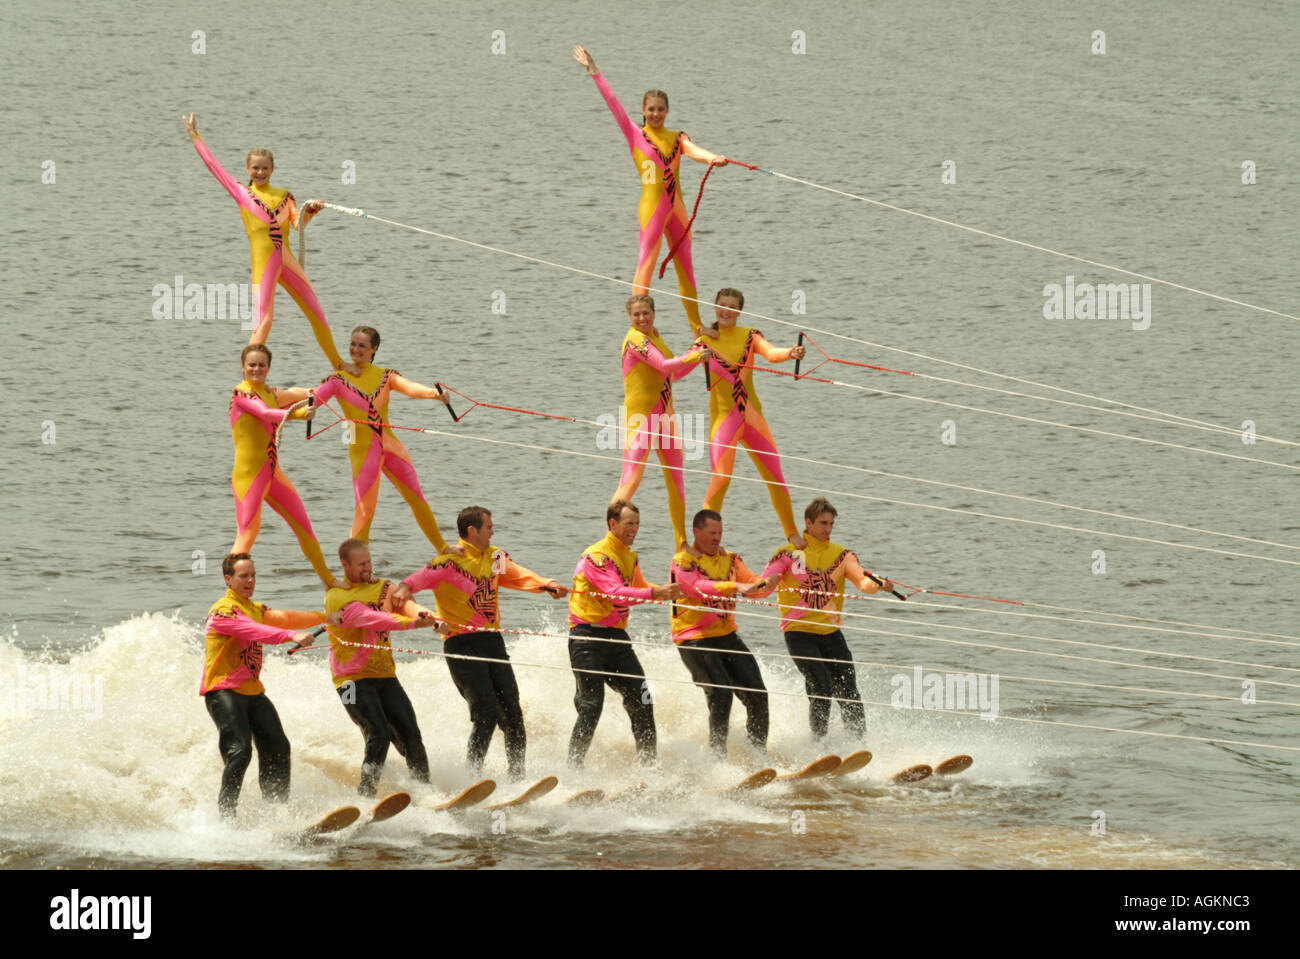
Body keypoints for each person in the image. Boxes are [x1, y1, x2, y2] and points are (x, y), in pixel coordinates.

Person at [390, 507, 568, 781]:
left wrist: (547, 584)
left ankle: (517, 778)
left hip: (492, 643)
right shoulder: (448, 562)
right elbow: (414, 581)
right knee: (485, 713)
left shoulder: (495, 556)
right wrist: (404, 589)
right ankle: (471, 779)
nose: (492, 531)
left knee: (513, 715)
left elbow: (517, 575)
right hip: (461, 646)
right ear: (472, 531)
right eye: (488, 527)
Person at [573, 45, 728, 337]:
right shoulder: (635, 134)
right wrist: (594, 71)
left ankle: (697, 328)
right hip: (653, 210)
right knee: (645, 264)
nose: (655, 114)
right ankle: (640, 325)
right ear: (643, 111)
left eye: (660, 109)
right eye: (651, 109)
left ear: (667, 111)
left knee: (687, 269)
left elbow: (694, 152)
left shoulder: (677, 137)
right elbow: (613, 103)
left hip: (677, 209)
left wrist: (713, 158)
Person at [183, 113, 354, 372]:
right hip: (264, 264)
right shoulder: (243, 193)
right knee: (264, 320)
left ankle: (339, 364)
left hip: (287, 261)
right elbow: (214, 166)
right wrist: (195, 137)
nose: (260, 172)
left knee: (317, 314)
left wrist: (313, 210)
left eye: (264, 168)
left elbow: (298, 225)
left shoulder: (286, 197)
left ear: (272, 169)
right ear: (248, 170)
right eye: (255, 168)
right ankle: (248, 374)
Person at [200, 552, 339, 819]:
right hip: (223, 692)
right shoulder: (223, 611)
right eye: (243, 576)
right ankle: (226, 818)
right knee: (240, 751)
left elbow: (286, 617)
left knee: (278, 747)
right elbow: (255, 631)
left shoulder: (255, 608)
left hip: (252, 693)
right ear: (228, 579)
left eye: (253, 575)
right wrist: (290, 636)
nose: (250, 580)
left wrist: (325, 617)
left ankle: (276, 812)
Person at [762, 498, 895, 741]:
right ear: (808, 522)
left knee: (849, 689)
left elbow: (862, 580)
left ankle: (858, 744)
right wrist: (758, 585)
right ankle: (818, 746)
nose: (828, 529)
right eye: (823, 523)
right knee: (821, 686)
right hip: (799, 633)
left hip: (831, 634)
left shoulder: (842, 555)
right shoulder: (788, 554)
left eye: (831, 524)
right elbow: (763, 584)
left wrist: (878, 584)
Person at [312, 326, 452, 552]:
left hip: (391, 445)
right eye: (353, 344)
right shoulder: (337, 379)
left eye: (362, 346)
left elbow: (410, 387)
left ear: (374, 349)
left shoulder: (386, 375)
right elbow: (313, 399)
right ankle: (357, 569)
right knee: (365, 509)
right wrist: (300, 411)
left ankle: (443, 548)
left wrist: (435, 394)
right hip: (362, 449)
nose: (356, 350)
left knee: (417, 498)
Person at [566, 500, 682, 768]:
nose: (634, 529)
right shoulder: (596, 557)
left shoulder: (630, 557)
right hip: (587, 640)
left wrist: (670, 592)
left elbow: (639, 588)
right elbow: (615, 591)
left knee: (643, 699)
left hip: (617, 641)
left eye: (637, 524)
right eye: (629, 523)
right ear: (612, 524)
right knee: (591, 706)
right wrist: (656, 593)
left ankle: (648, 766)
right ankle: (573, 768)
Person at [325, 539, 443, 797]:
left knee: (411, 734)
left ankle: (425, 792)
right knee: (377, 732)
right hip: (348, 682)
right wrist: (413, 625)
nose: (368, 568)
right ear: (346, 565)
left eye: (369, 561)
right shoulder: (337, 597)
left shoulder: (385, 587)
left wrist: (425, 615)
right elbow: (378, 619)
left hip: (385, 675)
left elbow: (405, 605)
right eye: (361, 564)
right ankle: (366, 795)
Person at [696, 288, 807, 547]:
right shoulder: (704, 341)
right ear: (714, 307)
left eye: (732, 306)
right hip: (724, 420)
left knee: (775, 477)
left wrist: (790, 352)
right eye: (722, 305)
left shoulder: (750, 335)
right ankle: (703, 539)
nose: (726, 310)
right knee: (721, 479)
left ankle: (791, 533)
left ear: (739, 311)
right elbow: (680, 367)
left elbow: (770, 353)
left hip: (753, 418)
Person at [228, 343, 338, 588]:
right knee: (247, 535)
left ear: (268, 368)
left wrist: (333, 383)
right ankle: (230, 600)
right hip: (249, 477)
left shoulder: (272, 393)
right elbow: (266, 413)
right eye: (252, 365)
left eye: (261, 365)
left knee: (304, 528)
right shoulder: (241, 393)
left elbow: (302, 394)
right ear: (243, 367)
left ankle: (330, 582)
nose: (256, 369)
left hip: (273, 475)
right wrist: (299, 415)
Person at [669, 509, 772, 759]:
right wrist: (736, 586)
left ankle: (758, 757)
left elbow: (754, 587)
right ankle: (718, 759)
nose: (717, 538)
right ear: (696, 531)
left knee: (758, 695)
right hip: (693, 639)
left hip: (726, 636)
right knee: (721, 692)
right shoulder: (683, 561)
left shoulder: (732, 559)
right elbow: (697, 589)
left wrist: (766, 585)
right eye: (712, 533)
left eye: (720, 533)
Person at [613, 295, 707, 548]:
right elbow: (665, 365)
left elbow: (673, 374)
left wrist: (698, 353)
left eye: (646, 313)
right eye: (637, 315)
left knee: (676, 482)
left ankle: (681, 544)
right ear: (630, 318)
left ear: (654, 313)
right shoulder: (635, 340)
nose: (642, 318)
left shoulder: (654, 337)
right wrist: (695, 354)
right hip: (640, 419)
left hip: (665, 418)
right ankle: (610, 541)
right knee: (630, 481)